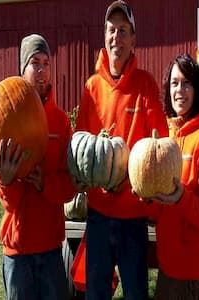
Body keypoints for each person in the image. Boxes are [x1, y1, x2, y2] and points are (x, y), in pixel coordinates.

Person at [74, 1, 169, 299]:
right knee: (96, 294)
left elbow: (159, 147)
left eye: (123, 31)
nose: (117, 37)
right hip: (99, 216)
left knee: (137, 293)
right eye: (111, 30)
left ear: (133, 39)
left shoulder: (146, 85)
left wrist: (129, 183)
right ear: (104, 37)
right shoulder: (91, 88)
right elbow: (82, 148)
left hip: (133, 216)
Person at [0, 33, 76, 300]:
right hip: (18, 251)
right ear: (22, 69)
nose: (42, 71)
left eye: (46, 63)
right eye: (35, 63)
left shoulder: (60, 123)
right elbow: (9, 204)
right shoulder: (4, 118)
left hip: (50, 248)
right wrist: (4, 181)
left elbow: (70, 185)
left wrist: (44, 184)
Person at [147, 53, 199, 299]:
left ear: (197, 88)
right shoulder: (168, 139)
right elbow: (162, 211)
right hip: (167, 269)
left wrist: (182, 198)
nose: (180, 90)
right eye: (174, 83)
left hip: (191, 276)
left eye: (187, 82)